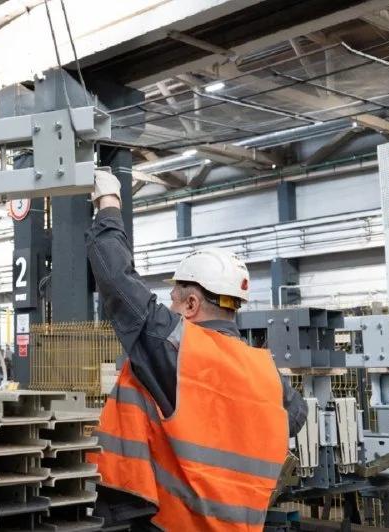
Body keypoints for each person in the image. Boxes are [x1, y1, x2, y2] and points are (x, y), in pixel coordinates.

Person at [85, 170, 307, 531]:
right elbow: (296, 416)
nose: (170, 307)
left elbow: (117, 281)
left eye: (174, 299)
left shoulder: (178, 349)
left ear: (191, 304)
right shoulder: (267, 374)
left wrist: (108, 203)